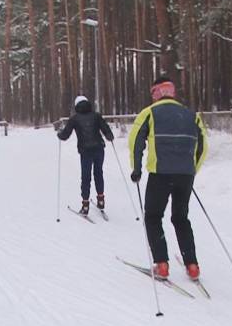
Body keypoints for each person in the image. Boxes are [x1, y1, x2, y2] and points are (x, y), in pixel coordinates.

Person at [129, 77, 207, 281]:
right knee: (181, 218)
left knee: (153, 217)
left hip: (160, 175)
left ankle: (162, 265)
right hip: (185, 175)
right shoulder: (192, 115)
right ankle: (192, 265)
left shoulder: (149, 113)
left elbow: (135, 141)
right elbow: (203, 146)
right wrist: (192, 169)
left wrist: (136, 169)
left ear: (157, 92)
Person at [58, 95, 115, 215]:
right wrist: (109, 135)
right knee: (98, 173)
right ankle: (101, 200)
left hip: (85, 151)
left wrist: (59, 134)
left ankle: (85, 205)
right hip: (99, 148)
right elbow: (106, 129)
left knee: (86, 177)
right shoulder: (96, 116)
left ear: (76, 106)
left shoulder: (74, 119)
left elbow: (65, 136)